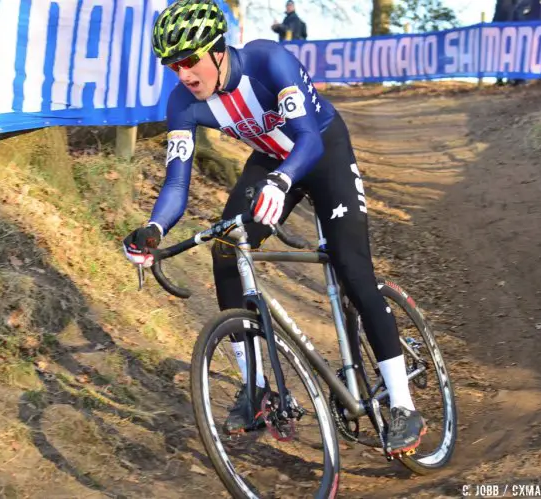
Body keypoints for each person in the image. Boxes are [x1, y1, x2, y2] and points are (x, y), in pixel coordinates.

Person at [123, 0, 426, 456]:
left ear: (218, 50)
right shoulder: (182, 103)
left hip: (320, 151)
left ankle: (403, 406)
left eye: (189, 60)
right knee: (225, 247)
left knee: (352, 268)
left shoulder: (269, 61)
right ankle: (258, 388)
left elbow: (306, 137)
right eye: (172, 65)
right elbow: (176, 182)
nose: (182, 74)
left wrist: (283, 183)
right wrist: (153, 229)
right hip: (269, 159)